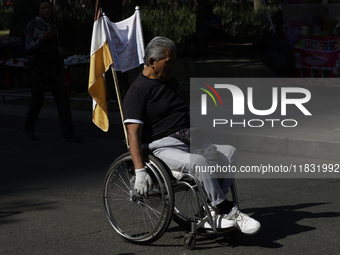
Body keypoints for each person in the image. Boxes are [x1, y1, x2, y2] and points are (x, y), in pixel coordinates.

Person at [123, 36, 261, 234]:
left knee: (230, 152)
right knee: (198, 162)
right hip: (161, 147)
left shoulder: (171, 82)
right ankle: (226, 209)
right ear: (152, 62)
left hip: (187, 139)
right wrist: (140, 172)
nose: (173, 68)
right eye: (169, 63)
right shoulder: (137, 92)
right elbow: (133, 134)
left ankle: (212, 209)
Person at [23, 0, 81, 142]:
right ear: (38, 10)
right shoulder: (32, 25)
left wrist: (61, 52)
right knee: (37, 99)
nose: (46, 10)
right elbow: (28, 48)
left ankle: (68, 133)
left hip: (54, 67)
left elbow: (57, 45)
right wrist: (42, 40)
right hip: (39, 68)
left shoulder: (53, 26)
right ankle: (28, 129)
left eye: (48, 8)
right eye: (43, 8)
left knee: (62, 99)